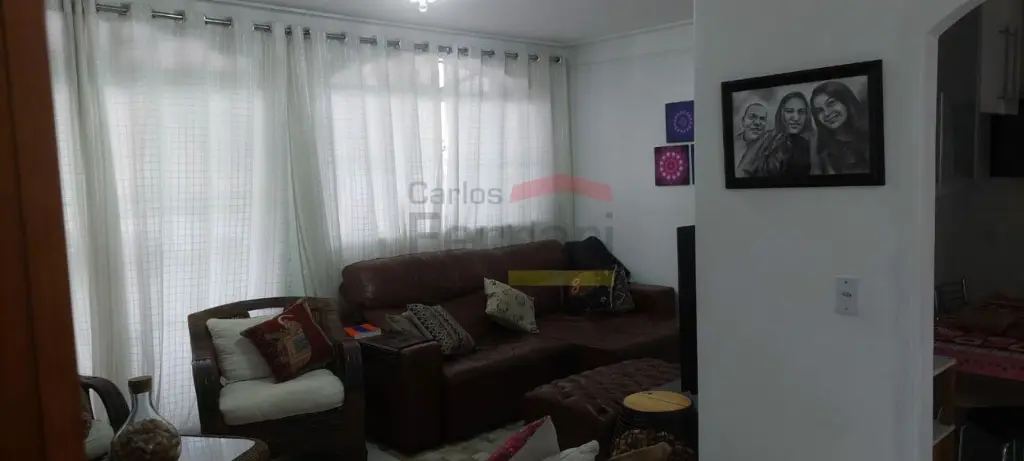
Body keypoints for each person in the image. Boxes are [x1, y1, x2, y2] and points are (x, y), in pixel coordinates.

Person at [735, 92, 814, 178]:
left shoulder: (813, 143)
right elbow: (743, 171)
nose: (796, 117)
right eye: (789, 111)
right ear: (781, 113)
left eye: (801, 112)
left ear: (806, 115)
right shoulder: (766, 139)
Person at [810, 81, 870, 174]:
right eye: (820, 110)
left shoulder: (870, 134)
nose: (827, 113)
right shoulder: (821, 152)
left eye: (831, 103)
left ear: (846, 101)